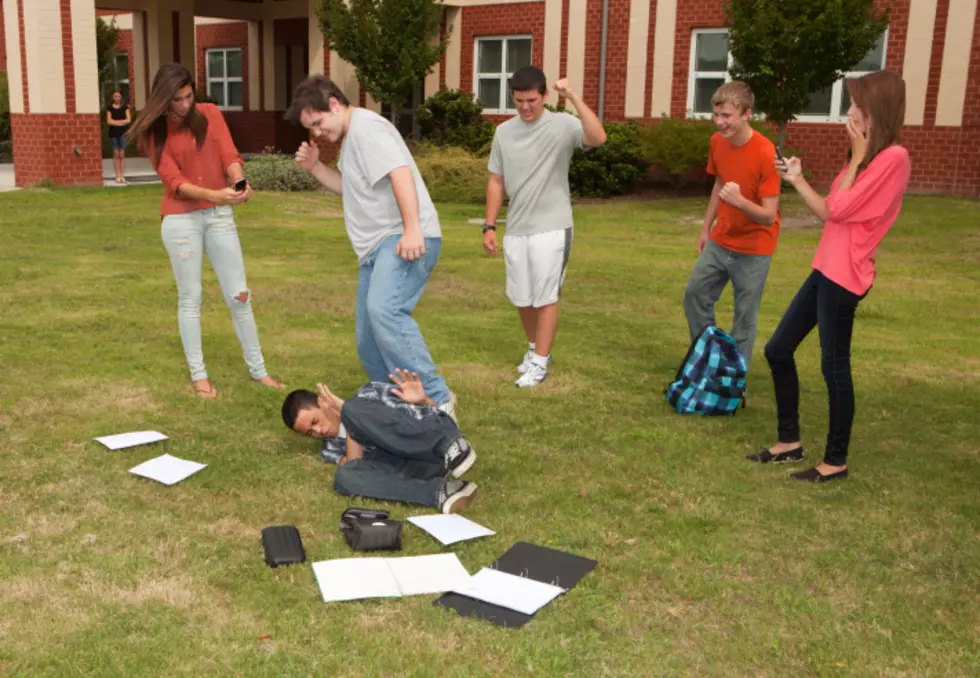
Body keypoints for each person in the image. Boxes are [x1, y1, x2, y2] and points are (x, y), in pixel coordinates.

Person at [750, 71, 911, 482]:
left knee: (834, 367)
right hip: (825, 268)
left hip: (847, 277)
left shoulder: (892, 159)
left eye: (858, 105)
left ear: (878, 111)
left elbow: (840, 209)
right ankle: (790, 441)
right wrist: (798, 179)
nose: (851, 112)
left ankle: (835, 461)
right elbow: (828, 212)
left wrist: (857, 158)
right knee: (779, 349)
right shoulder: (865, 158)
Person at [285, 76, 456, 417]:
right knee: (369, 343)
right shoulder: (352, 140)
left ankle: (438, 403)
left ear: (334, 104)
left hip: (399, 238)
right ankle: (398, 408)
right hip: (375, 251)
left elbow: (400, 174)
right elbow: (351, 188)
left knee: (385, 312)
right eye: (311, 129)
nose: (316, 133)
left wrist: (411, 229)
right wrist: (315, 166)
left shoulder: (367, 129)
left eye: (317, 123)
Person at [127, 64, 282, 399]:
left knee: (240, 294)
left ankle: (260, 372)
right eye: (177, 100)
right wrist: (215, 195)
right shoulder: (153, 133)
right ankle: (199, 376)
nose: (185, 105)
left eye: (188, 96)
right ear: (163, 101)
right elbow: (175, 183)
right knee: (191, 298)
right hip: (181, 220)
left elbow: (229, 153)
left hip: (219, 216)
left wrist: (238, 182)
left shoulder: (209, 113)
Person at [483, 66, 607, 388]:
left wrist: (574, 97)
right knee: (522, 298)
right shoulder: (503, 133)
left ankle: (539, 363)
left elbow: (598, 137)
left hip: (553, 226)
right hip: (517, 227)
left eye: (532, 100)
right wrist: (489, 225)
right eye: (519, 100)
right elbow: (496, 180)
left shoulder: (562, 125)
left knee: (545, 297)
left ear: (545, 96)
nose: (525, 107)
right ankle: (534, 350)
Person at [683, 81, 781, 388]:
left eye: (727, 115)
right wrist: (705, 227)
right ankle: (709, 360)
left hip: (754, 249)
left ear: (747, 114)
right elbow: (719, 185)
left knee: (744, 319)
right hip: (720, 240)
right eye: (716, 114)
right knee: (695, 295)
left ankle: (732, 383)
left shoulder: (766, 153)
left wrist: (739, 201)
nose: (720, 121)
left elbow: (768, 215)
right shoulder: (717, 142)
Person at [281, 369, 478, 513]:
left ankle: (454, 449)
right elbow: (356, 465)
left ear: (322, 402)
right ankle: (439, 492)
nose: (319, 431)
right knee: (345, 477)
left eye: (315, 421)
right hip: (414, 468)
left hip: (437, 445)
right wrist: (351, 423)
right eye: (310, 433)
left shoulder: (368, 394)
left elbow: (429, 418)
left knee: (353, 409)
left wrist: (424, 401)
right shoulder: (329, 449)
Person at [106, 90, 131, 184]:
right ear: (113, 98)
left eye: (118, 96)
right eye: (115, 96)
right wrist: (121, 122)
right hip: (113, 133)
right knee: (116, 154)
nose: (117, 98)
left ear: (121, 98)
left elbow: (128, 120)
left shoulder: (125, 107)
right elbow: (109, 121)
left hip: (123, 133)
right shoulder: (109, 108)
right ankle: (117, 176)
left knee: (122, 155)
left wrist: (115, 122)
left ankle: (122, 176)